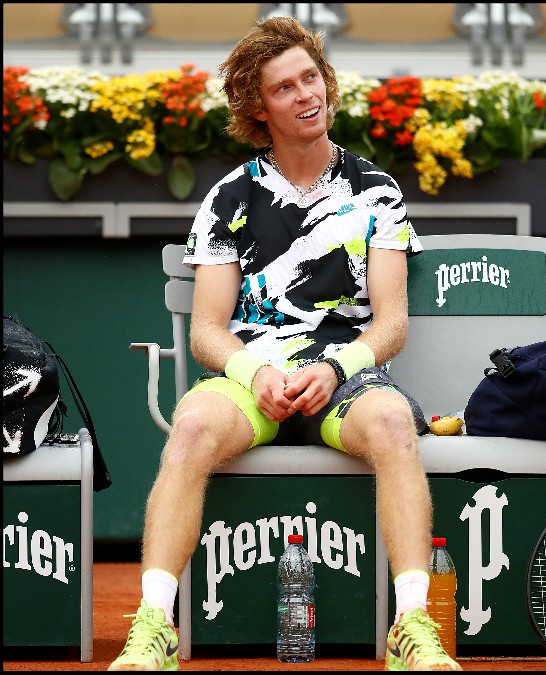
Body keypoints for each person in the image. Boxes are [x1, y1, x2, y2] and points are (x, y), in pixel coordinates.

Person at [108, 17, 460, 671]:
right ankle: (153, 626)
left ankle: (412, 626)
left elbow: (390, 324)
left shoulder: (376, 191)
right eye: (285, 88)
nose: (307, 95)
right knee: (188, 427)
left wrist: (335, 367)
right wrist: (255, 371)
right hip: (256, 379)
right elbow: (208, 329)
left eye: (311, 78)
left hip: (345, 381)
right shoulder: (227, 199)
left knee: (391, 422)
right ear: (258, 109)